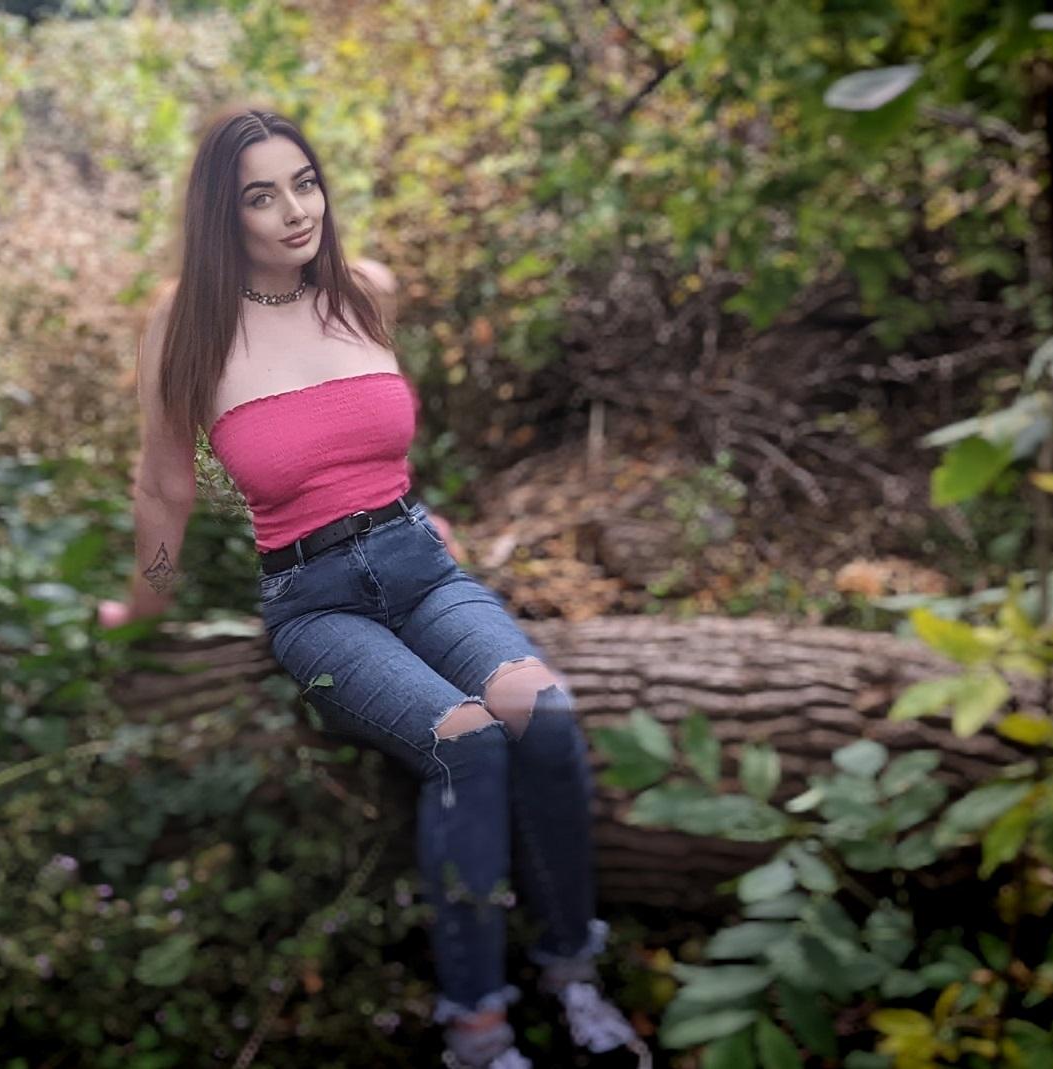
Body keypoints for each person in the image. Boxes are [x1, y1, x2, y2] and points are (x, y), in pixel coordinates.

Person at [97, 106, 650, 1069]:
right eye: (261, 197)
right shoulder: (185, 325)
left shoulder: (365, 291)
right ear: (221, 214)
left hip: (421, 567)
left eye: (305, 183)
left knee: (547, 716)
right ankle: (476, 1027)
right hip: (314, 603)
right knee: (469, 744)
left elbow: (368, 441)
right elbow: (163, 487)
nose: (294, 211)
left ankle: (573, 971)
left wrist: (414, 515)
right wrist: (147, 602)